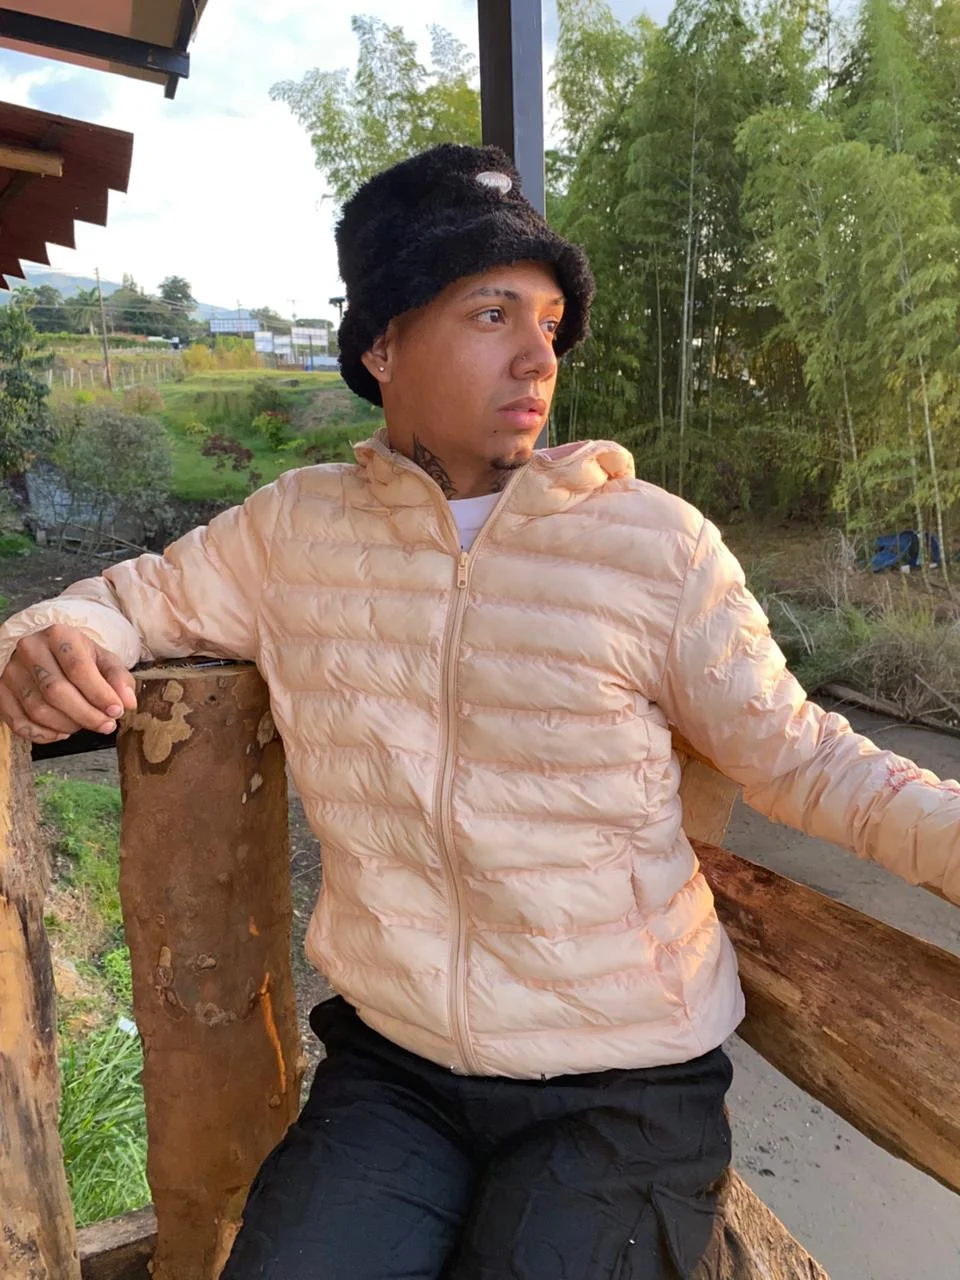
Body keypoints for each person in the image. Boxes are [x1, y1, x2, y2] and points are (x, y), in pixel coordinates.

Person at [1, 143, 957, 1280]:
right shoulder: (293, 531)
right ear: (382, 344)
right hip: (398, 1065)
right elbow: (125, 600)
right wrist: (52, 640)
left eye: (549, 322)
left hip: (622, 1078)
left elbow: (806, 760)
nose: (537, 354)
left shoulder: (653, 544)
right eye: (492, 312)